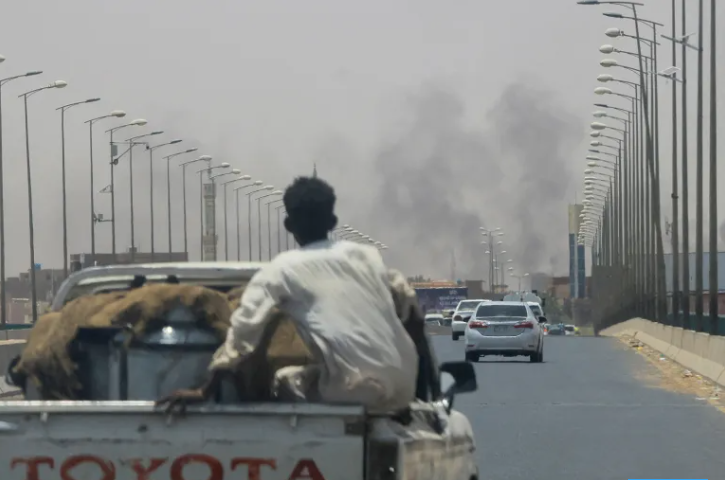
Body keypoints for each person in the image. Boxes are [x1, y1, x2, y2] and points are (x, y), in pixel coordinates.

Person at [158, 176, 421, 412]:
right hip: (405, 387)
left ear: (288, 224)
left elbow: (243, 331)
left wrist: (205, 389)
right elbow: (410, 307)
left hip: (352, 391)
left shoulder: (280, 270)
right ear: (333, 222)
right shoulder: (367, 256)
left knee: (284, 380)